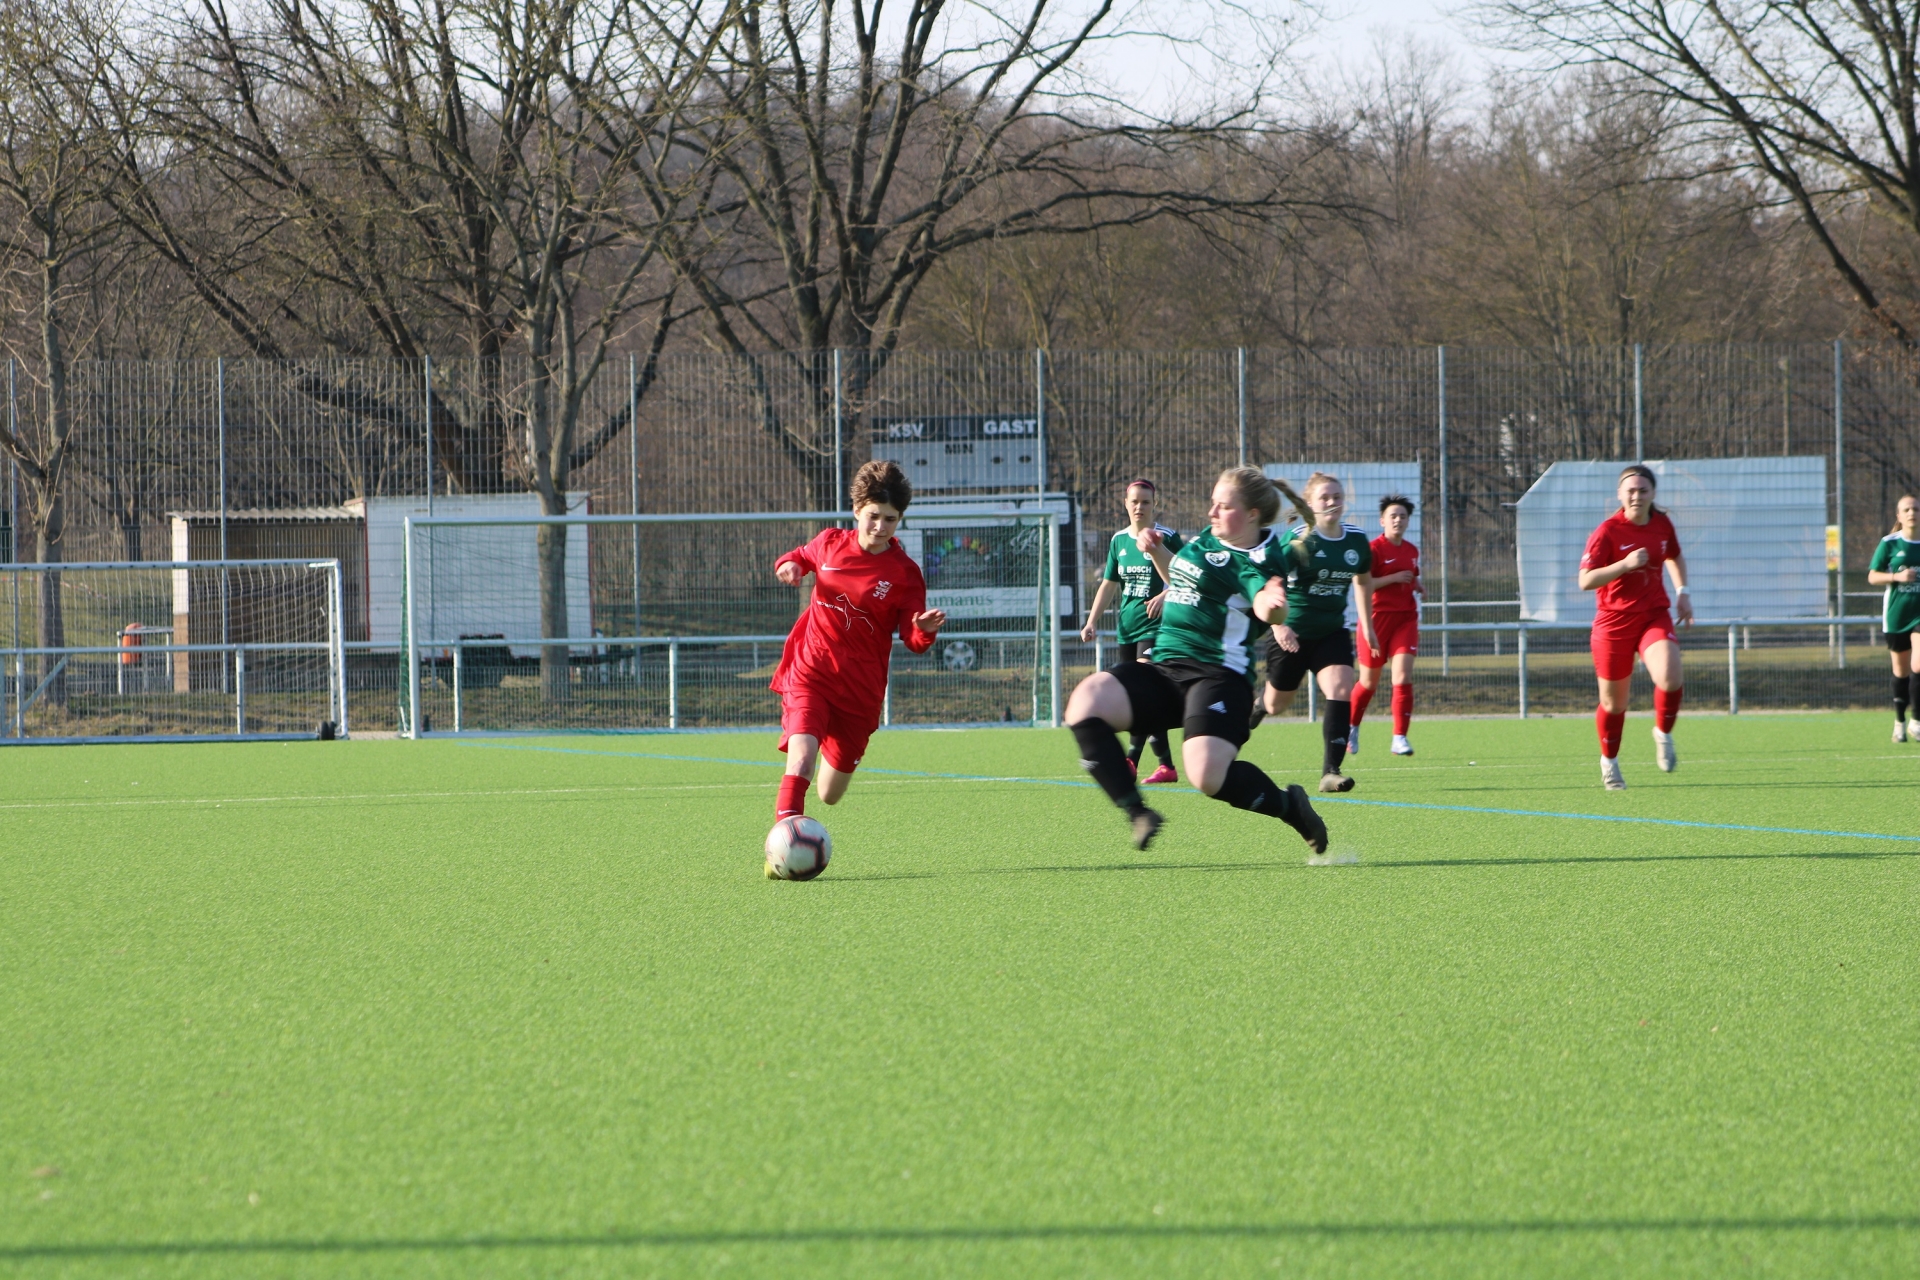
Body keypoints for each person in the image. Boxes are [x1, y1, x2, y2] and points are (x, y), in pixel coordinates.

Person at [1063, 466, 1329, 854]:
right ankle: (1138, 812)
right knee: (1085, 703)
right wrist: (1157, 552)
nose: (1212, 512)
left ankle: (1291, 807)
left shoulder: (1262, 558)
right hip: (1165, 668)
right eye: (1213, 503)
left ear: (1252, 514)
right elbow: (1187, 579)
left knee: (1205, 775)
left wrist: (1272, 607)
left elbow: (1262, 600)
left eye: (1223, 506)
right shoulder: (1209, 539)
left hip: (1219, 676)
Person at [770, 460, 948, 819]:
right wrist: (787, 565)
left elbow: (912, 638)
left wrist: (924, 631)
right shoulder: (830, 543)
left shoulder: (905, 574)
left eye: (891, 518)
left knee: (829, 794)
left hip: (859, 691)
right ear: (856, 511)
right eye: (873, 515)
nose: (880, 526)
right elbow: (800, 556)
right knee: (801, 759)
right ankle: (784, 842)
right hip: (812, 672)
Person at [1254, 472, 1376, 793]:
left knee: (1341, 687)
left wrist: (1369, 627)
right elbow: (1268, 583)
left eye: (1337, 496)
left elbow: (1362, 581)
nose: (1333, 502)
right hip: (1292, 634)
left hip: (1331, 633)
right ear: (1309, 503)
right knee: (1275, 704)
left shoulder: (1356, 541)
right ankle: (1256, 708)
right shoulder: (1296, 541)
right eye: (1325, 497)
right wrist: (1278, 626)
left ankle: (1330, 772)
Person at [1578, 463, 1690, 790]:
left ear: (1653, 494)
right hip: (1613, 623)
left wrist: (1683, 592)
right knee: (1615, 704)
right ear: (1620, 494)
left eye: (1643, 490)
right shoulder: (1607, 531)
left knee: (1670, 677)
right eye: (1630, 490)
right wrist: (1624, 565)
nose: (1636, 496)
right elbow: (1585, 580)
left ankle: (1663, 734)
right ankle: (1609, 762)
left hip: (1653, 614)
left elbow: (1675, 556)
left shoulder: (1662, 525)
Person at [1080, 479, 1182, 783]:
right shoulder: (1119, 541)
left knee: (1142, 692)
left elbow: (1189, 577)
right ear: (1126, 503)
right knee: (1143, 699)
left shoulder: (1167, 537)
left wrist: (1166, 595)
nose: (1140, 507)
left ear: (1155, 504)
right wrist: (1092, 620)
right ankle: (1166, 766)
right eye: (1135, 502)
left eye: (1146, 502)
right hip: (1128, 627)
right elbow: (1109, 584)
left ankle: (1130, 761)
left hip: (1158, 628)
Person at [1350, 494, 1420, 758]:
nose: (1398, 520)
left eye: (1402, 516)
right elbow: (1362, 584)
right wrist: (1392, 578)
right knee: (1368, 682)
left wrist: (1417, 584)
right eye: (1393, 516)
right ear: (1382, 521)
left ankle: (1399, 737)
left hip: (1405, 618)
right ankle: (1352, 726)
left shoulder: (1412, 550)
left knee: (1402, 676)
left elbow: (1411, 575)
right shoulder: (1373, 550)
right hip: (1377, 620)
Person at [1867, 493, 1920, 742]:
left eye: (1916, 509)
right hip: (1897, 616)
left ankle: (1917, 721)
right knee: (1901, 673)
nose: (1912, 513)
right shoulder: (1889, 543)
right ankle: (1899, 722)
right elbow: (1873, 576)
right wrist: (1897, 577)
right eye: (1907, 510)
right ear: (1899, 516)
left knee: (1919, 665)